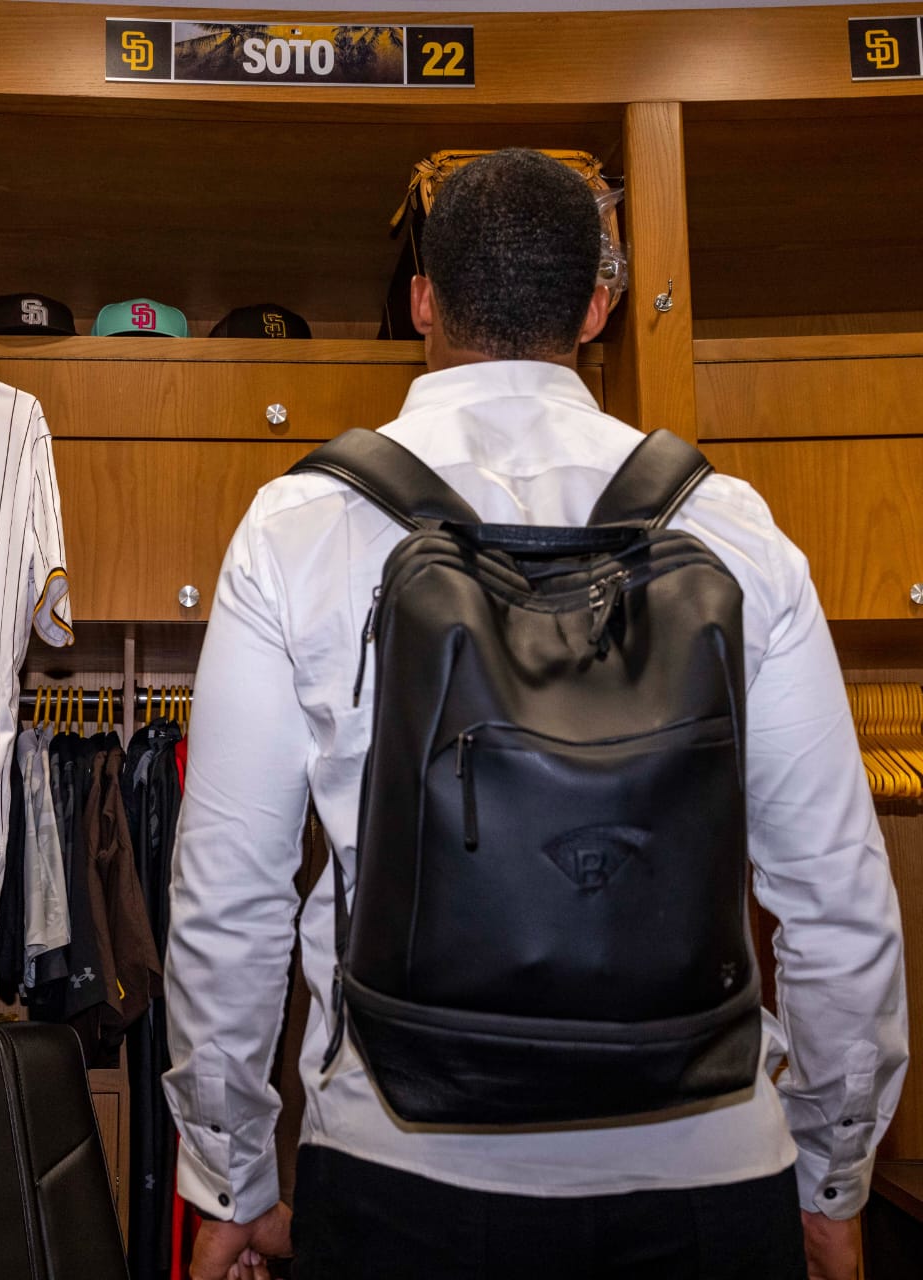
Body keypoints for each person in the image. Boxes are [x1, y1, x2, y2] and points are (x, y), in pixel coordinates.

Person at [162, 148, 908, 1280]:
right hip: (706, 1169)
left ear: (421, 301)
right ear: (596, 307)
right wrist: (829, 1181)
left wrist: (231, 1180)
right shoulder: (735, 530)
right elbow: (840, 901)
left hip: (401, 1164)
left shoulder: (294, 527)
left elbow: (230, 896)